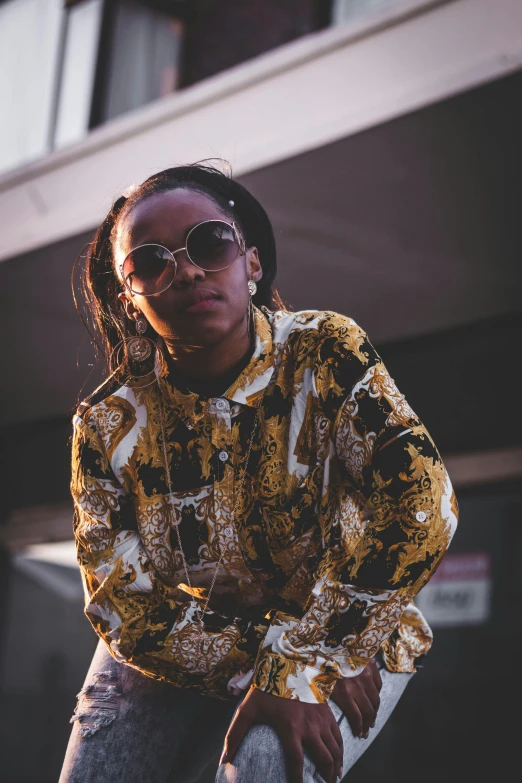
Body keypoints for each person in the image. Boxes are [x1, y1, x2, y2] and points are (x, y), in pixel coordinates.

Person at [60, 162, 458, 783]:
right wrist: (273, 661)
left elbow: (421, 509)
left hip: (344, 615)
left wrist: (313, 655)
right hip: (182, 638)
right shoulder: (106, 424)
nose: (188, 270)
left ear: (250, 261)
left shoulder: (326, 352)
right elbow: (122, 606)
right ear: (128, 299)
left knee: (269, 767)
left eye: (209, 244)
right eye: (151, 262)